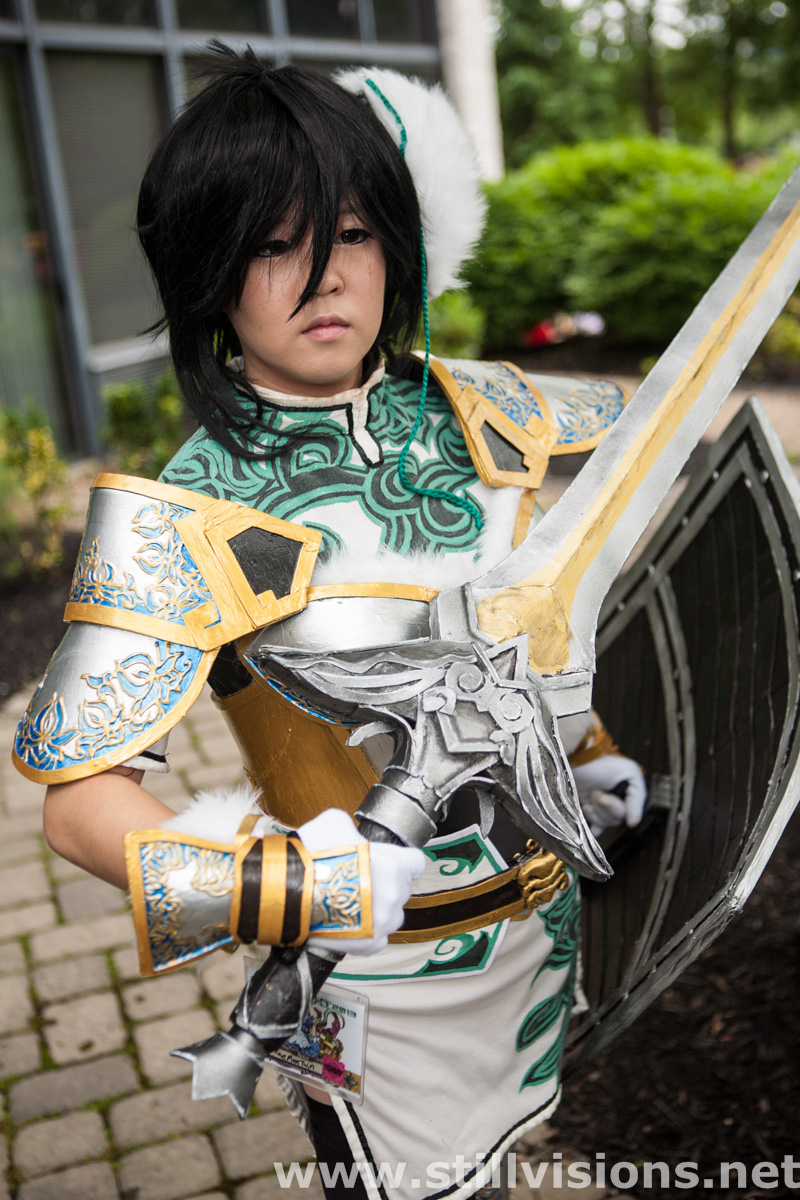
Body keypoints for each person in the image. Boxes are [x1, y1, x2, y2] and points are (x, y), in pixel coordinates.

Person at [13, 47, 644, 1200]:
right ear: (208, 272)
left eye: (350, 233)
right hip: (370, 982)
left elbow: (511, 647)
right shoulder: (189, 510)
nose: (322, 279)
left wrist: (589, 754)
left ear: (396, 244)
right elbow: (80, 808)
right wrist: (286, 889)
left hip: (537, 929)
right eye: (271, 245)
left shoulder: (478, 415)